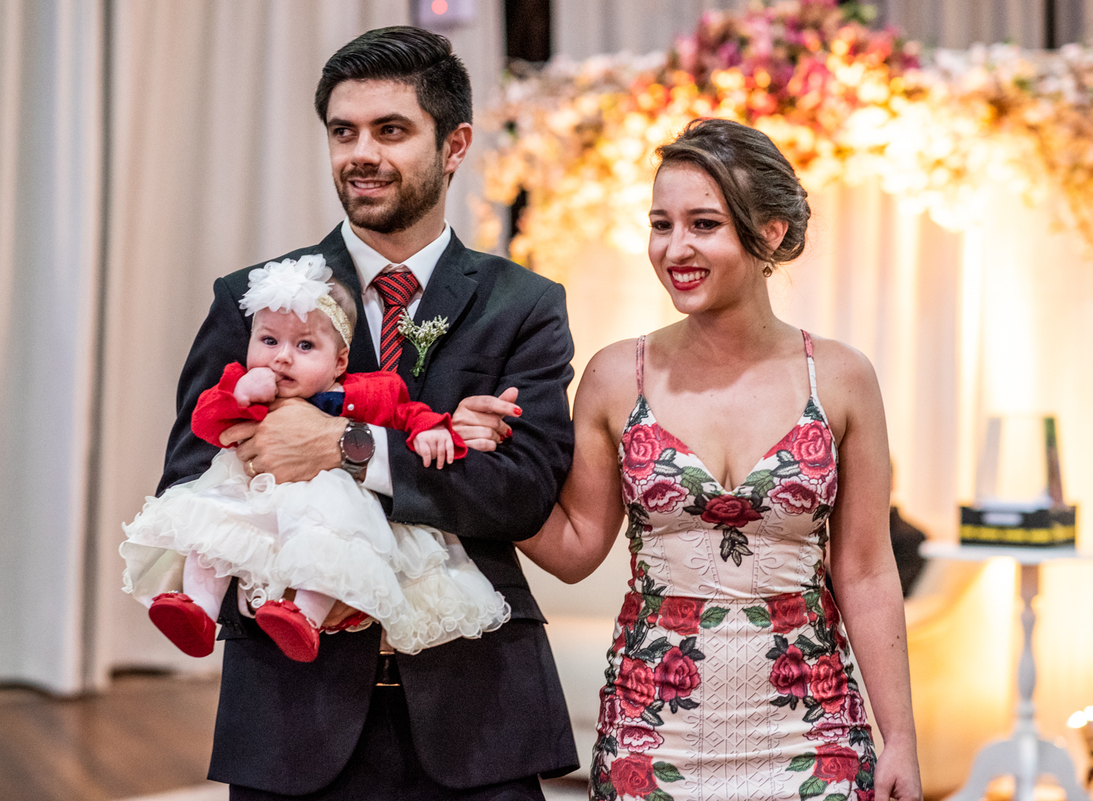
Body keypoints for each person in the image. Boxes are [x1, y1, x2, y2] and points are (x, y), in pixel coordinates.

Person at [157, 25, 579, 801]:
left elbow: (521, 492)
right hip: (292, 710)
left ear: (455, 146)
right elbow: (192, 479)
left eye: (391, 130)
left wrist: (346, 444)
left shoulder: (523, 306)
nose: (361, 153)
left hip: (476, 706)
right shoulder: (256, 300)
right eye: (343, 131)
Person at [517, 119, 923, 801]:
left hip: (812, 731)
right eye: (661, 223)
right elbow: (577, 545)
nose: (675, 247)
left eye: (703, 224)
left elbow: (866, 568)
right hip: (654, 730)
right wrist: (475, 474)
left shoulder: (843, 377)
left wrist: (902, 738)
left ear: (768, 233)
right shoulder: (618, 375)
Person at [122, 255, 509, 663]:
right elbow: (202, 425)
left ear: (340, 361)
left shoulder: (367, 391)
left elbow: (405, 414)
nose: (282, 357)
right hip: (249, 496)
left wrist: (432, 430)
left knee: (329, 546)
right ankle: (198, 608)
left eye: (305, 345)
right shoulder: (241, 383)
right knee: (211, 532)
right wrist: (239, 396)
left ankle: (303, 616)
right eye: (268, 341)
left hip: (328, 503)